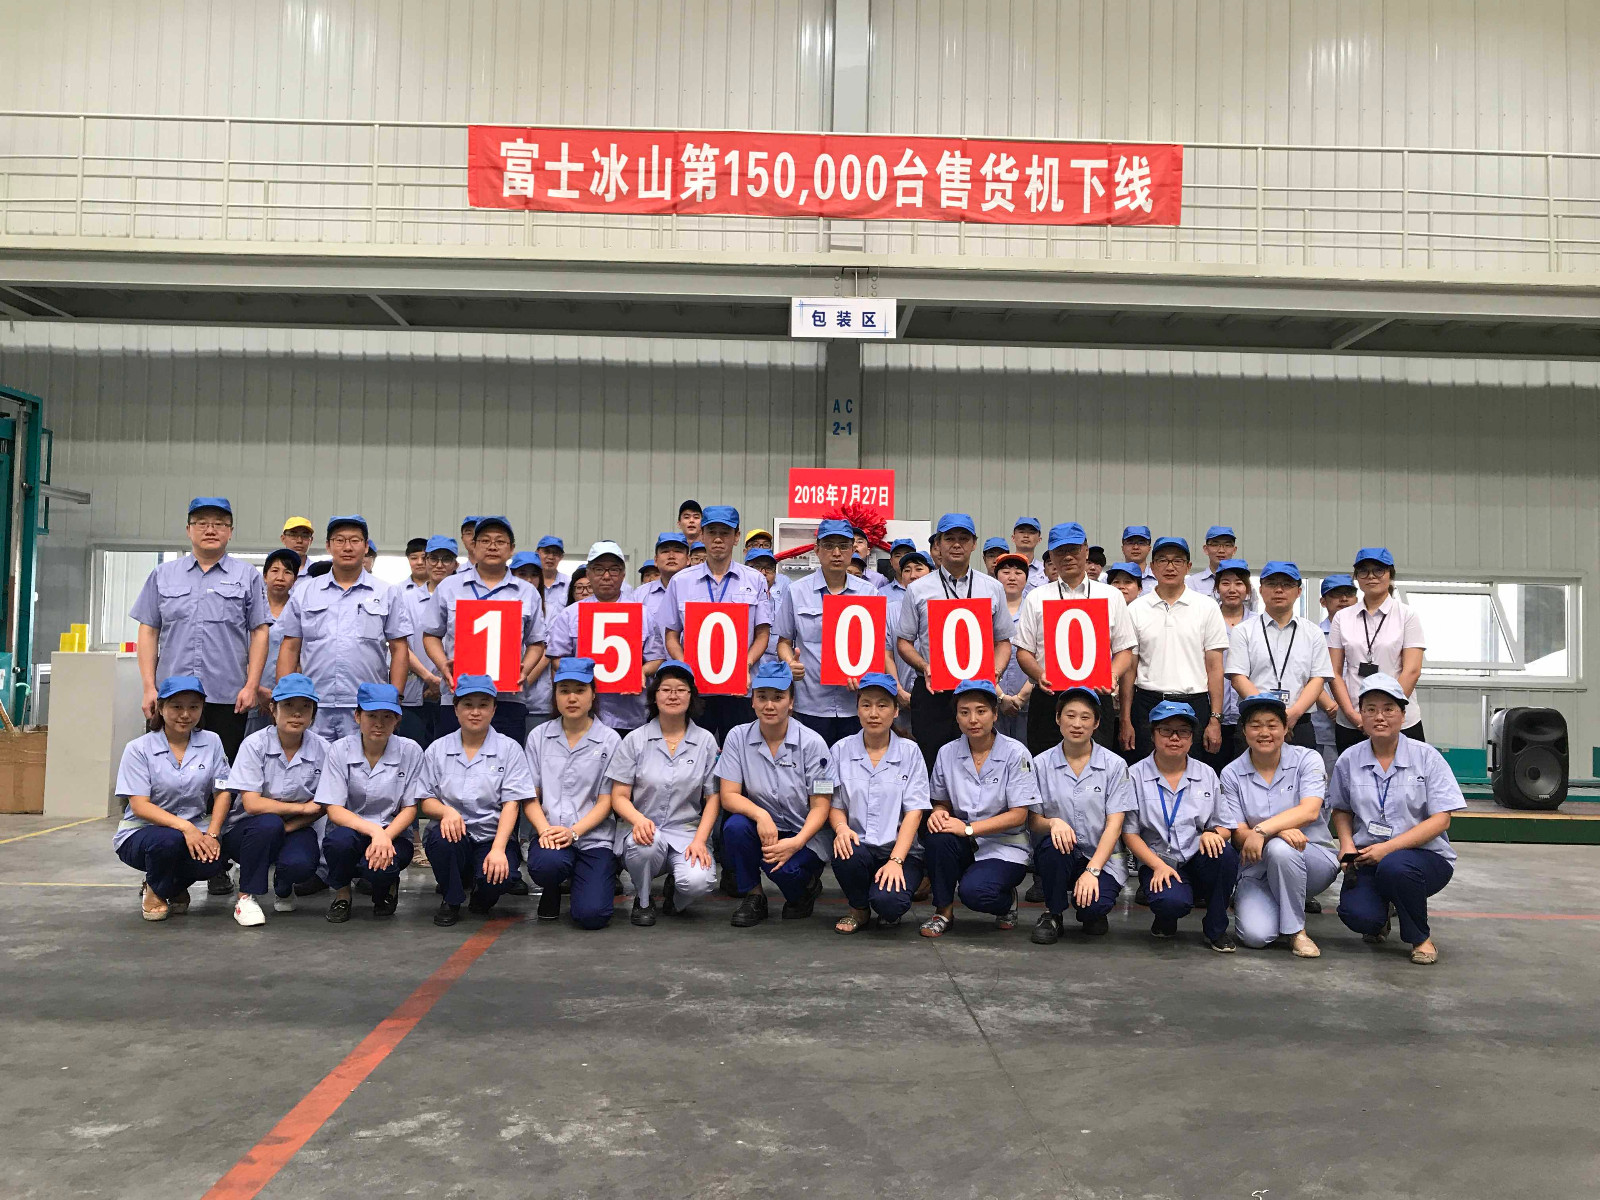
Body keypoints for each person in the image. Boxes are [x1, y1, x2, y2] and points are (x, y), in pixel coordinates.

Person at [1330, 674, 1465, 965]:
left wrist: (1388, 849)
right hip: (1368, 857)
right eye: (1370, 709)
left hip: (1424, 858)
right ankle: (1381, 915)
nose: (1379, 717)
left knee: (1396, 867)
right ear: (1361, 715)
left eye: (1388, 709)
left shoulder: (1427, 757)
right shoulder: (1348, 760)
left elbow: (1442, 820)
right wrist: (1346, 844)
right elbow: (1341, 809)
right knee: (1358, 916)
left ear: (1403, 715)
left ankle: (1420, 938)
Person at [131, 497, 269, 761]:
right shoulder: (162, 575)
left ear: (230, 531)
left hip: (227, 697)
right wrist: (149, 687)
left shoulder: (247, 576)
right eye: (202, 523)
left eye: (219, 524)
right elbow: (148, 630)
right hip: (170, 695)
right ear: (188, 529)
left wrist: (251, 686)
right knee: (164, 766)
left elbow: (260, 631)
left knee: (221, 770)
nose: (210, 530)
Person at [716, 661, 835, 927]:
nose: (769, 705)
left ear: (791, 702)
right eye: (762, 697)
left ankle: (807, 887)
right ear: (753, 702)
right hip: (764, 829)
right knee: (735, 827)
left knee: (782, 870)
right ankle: (754, 895)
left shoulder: (813, 743)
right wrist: (761, 815)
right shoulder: (737, 737)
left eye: (778, 697)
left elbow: (821, 805)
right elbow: (729, 795)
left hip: (804, 833)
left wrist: (797, 842)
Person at [918, 679, 1040, 937]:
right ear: (957, 717)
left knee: (976, 893)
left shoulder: (1016, 753)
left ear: (995, 714)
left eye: (981, 711)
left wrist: (969, 829)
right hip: (964, 841)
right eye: (964, 712)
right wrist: (939, 813)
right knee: (937, 836)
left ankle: (1006, 901)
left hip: (1004, 845)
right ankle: (943, 912)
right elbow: (941, 801)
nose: (973, 719)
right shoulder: (947, 753)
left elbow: (1019, 814)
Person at [1219, 694, 1338, 957]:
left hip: (1312, 857)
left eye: (1272, 725)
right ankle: (1262, 900)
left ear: (1286, 729)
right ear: (1244, 731)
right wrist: (1279, 831)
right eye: (1255, 725)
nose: (1264, 733)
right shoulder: (1231, 773)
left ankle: (1296, 932)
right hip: (1257, 866)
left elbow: (1310, 811)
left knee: (1281, 849)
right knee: (1256, 937)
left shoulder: (1307, 759)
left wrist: (1264, 831)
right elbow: (1238, 835)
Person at [895, 513, 1016, 771]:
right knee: (931, 762)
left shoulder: (992, 588)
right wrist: (925, 666)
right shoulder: (918, 589)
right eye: (949, 539)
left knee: (979, 760)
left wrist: (995, 672)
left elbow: (1003, 641)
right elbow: (904, 642)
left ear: (974, 544)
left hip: (979, 691)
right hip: (933, 692)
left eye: (964, 538)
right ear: (938, 545)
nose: (957, 544)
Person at [415, 674, 538, 926]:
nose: (475, 712)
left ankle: (482, 897)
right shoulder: (437, 749)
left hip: (492, 836)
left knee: (501, 877)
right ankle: (451, 899)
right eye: (467, 705)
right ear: (456, 709)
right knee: (440, 840)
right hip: (453, 835)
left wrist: (498, 849)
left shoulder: (510, 749)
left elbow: (512, 804)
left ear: (494, 709)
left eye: (483, 705)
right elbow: (425, 799)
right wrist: (447, 812)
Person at [276, 515, 412, 742]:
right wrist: (285, 695)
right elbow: (290, 647)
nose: (347, 547)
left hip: (368, 706)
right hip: (313, 703)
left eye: (355, 540)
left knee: (364, 763)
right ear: (328, 546)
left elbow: (399, 648)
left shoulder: (386, 592)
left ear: (366, 546)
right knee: (311, 763)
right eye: (339, 540)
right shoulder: (306, 591)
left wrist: (394, 697)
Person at [606, 661, 721, 926]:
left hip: (687, 831)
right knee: (646, 844)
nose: (673, 695)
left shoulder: (705, 741)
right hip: (643, 830)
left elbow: (713, 797)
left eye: (680, 690)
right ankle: (644, 900)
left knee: (699, 882)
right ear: (655, 695)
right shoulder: (635, 739)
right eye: (666, 689)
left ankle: (675, 898)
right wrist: (638, 820)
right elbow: (618, 795)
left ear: (691, 696)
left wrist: (700, 840)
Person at [1121, 701, 1240, 951]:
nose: (1174, 738)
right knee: (1171, 903)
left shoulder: (1207, 774)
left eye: (1183, 731)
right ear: (1152, 735)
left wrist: (1212, 834)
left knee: (1225, 854)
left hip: (1198, 856)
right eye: (1166, 730)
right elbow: (1130, 834)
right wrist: (1157, 865)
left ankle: (1216, 928)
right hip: (1157, 860)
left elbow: (1225, 825)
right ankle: (1166, 916)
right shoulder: (1134, 775)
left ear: (1192, 738)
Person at [112, 675, 232, 920]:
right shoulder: (138, 749)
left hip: (195, 830)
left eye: (193, 707)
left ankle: (169, 884)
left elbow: (222, 791)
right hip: (143, 832)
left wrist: (212, 834)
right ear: (160, 708)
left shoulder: (212, 742)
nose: (185, 714)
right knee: (169, 841)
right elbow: (140, 806)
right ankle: (157, 891)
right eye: (177, 706)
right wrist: (186, 827)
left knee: (215, 860)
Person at [1012, 522, 1136, 757]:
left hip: (1096, 693)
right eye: (1060, 551)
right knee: (1044, 763)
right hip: (1049, 695)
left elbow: (1124, 650)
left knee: (1097, 764)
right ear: (1051, 556)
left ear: (1086, 551)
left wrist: (1112, 675)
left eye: (1074, 549)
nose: (1067, 556)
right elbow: (1024, 651)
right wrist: (1039, 674)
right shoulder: (1037, 597)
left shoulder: (1110, 596)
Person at [218, 673, 330, 927]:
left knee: (301, 865)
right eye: (288, 705)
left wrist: (289, 826)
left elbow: (322, 806)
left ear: (313, 713)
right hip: (248, 830)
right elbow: (252, 804)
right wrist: (301, 807)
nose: (297, 713)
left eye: (305, 707)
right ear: (273, 709)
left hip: (296, 827)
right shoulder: (254, 745)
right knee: (268, 824)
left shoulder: (324, 750)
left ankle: (284, 885)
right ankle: (246, 896)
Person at [422, 516, 548, 742]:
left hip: (508, 699)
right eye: (485, 540)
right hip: (458, 697)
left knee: (506, 760)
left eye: (500, 541)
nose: (492, 546)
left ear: (511, 549)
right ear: (473, 545)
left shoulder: (526, 592)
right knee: (451, 759)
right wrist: (443, 666)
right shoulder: (450, 586)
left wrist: (524, 671)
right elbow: (431, 634)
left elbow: (537, 642)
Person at [1027, 687, 1134, 945]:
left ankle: (1090, 908)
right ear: (1058, 719)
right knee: (1052, 846)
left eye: (1085, 717)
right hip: (1061, 853)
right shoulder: (1040, 764)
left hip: (1102, 858)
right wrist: (1053, 823)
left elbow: (1115, 824)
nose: (1077, 724)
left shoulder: (1114, 765)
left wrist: (1092, 871)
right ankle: (1053, 913)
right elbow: (1033, 820)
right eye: (1070, 715)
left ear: (1096, 723)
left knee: (1093, 910)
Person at [523, 658, 623, 929]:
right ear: (555, 695)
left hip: (594, 838)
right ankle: (552, 887)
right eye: (564, 690)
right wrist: (544, 830)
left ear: (593, 694)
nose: (572, 698)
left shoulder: (610, 740)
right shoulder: (538, 737)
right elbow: (530, 796)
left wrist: (574, 833)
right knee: (547, 866)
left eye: (580, 690)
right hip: (551, 835)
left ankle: (588, 876)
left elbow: (607, 801)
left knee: (592, 916)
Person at [662, 505, 774, 743]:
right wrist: (686, 668)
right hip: (697, 691)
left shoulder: (755, 580)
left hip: (740, 690)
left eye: (725, 532)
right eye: (712, 532)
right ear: (702, 535)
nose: (718, 539)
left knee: (742, 753)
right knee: (692, 752)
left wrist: (745, 664)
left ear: (736, 537)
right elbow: (671, 634)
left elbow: (763, 634)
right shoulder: (681, 581)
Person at [827, 673, 930, 933]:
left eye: (882, 705)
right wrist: (841, 828)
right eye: (866, 704)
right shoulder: (840, 750)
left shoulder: (910, 752)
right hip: (859, 848)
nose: (874, 713)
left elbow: (914, 813)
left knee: (889, 904)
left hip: (901, 851)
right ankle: (859, 909)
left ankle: (884, 900)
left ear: (895, 711)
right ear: (858, 709)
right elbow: (835, 804)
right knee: (845, 851)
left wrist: (896, 861)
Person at [316, 682, 422, 922]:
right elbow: (334, 809)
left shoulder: (411, 751)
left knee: (381, 868)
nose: (379, 723)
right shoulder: (339, 750)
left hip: (394, 833)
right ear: (357, 716)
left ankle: (387, 887)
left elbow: (410, 808)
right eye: (371, 715)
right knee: (339, 844)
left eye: (387, 716)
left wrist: (385, 836)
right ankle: (342, 894)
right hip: (350, 829)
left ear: (397, 720)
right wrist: (375, 832)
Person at [774, 518, 882, 745]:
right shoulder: (796, 591)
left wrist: (866, 674)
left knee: (852, 763)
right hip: (810, 701)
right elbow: (783, 641)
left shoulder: (869, 593)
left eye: (843, 546)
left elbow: (876, 647)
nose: (836, 553)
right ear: (817, 550)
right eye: (829, 546)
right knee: (811, 764)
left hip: (854, 703)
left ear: (853, 550)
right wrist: (789, 663)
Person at [1120, 537, 1229, 763]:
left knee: (1193, 772)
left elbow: (1215, 667)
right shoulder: (1136, 609)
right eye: (1162, 560)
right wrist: (1125, 719)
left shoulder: (1207, 607)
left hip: (1194, 704)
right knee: (1145, 771)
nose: (1170, 567)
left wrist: (1215, 719)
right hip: (1148, 703)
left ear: (1189, 567)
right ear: (1152, 567)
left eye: (1177, 561)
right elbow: (1129, 669)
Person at [545, 541, 665, 737]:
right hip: (583, 715)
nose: (607, 576)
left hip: (630, 715)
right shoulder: (570, 614)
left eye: (614, 570)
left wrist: (641, 672)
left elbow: (657, 657)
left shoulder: (642, 614)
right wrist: (580, 672)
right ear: (589, 573)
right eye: (599, 569)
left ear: (623, 574)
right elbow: (557, 658)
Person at [1226, 561, 1334, 752]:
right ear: (1261, 590)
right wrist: (1270, 717)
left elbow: (1317, 679)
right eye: (1272, 583)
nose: (1279, 590)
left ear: (1299, 592)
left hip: (1299, 722)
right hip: (1254, 723)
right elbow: (1238, 677)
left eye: (1287, 584)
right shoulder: (1244, 631)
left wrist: (1293, 714)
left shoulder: (1313, 633)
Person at [1328, 548, 1427, 751]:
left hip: (1399, 721)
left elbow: (1412, 670)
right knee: (1353, 771)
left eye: (1378, 570)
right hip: (1353, 720)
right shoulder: (1342, 618)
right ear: (1356, 577)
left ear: (1390, 574)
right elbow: (1334, 672)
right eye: (1364, 571)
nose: (1371, 576)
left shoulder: (1407, 616)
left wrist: (1387, 713)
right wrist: (1354, 716)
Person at [398, 536, 456, 747]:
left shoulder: (466, 598)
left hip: (454, 692)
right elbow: (399, 645)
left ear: (455, 564)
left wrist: (443, 680)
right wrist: (429, 677)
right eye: (433, 558)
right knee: (412, 752)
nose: (439, 565)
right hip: (416, 692)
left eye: (446, 559)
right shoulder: (405, 598)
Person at [246, 548, 302, 738]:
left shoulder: (299, 610)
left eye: (287, 572)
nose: (280, 577)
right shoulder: (251, 609)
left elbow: (302, 655)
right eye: (275, 571)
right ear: (265, 576)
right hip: (252, 694)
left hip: (289, 696)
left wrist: (283, 693)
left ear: (294, 579)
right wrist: (257, 689)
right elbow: (240, 652)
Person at [1205, 558, 1252, 769]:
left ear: (1247, 589)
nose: (1232, 589)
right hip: (1213, 715)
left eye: (1239, 583)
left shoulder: (1258, 624)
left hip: (1248, 716)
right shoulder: (1205, 619)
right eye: (1225, 583)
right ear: (1216, 588)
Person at [1312, 574, 1359, 772]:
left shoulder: (1366, 633)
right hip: (1326, 723)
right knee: (1326, 782)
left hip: (1361, 720)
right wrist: (1332, 707)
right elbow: (1307, 675)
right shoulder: (1313, 634)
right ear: (1323, 602)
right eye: (1336, 595)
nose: (1343, 599)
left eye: (1348, 594)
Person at [884, 550, 931, 737]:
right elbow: (886, 653)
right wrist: (898, 690)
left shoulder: (943, 607)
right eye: (907, 570)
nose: (913, 575)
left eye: (919, 569)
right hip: (899, 695)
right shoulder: (889, 610)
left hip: (933, 695)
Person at [509, 551, 556, 736]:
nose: (529, 580)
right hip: (504, 694)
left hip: (537, 698)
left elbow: (546, 652)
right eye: (522, 574)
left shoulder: (551, 611)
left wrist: (523, 680)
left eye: (534, 575)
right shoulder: (500, 605)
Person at [993, 553, 1034, 743]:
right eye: (1005, 572)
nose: (1012, 577)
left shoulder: (1035, 610)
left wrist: (1021, 697)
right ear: (996, 576)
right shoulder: (985, 610)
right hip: (992, 700)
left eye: (1018, 573)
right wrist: (1000, 696)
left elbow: (1043, 657)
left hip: (1029, 700)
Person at [746, 546, 788, 663]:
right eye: (757, 567)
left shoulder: (783, 603)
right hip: (746, 666)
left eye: (769, 568)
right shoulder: (738, 603)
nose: (763, 573)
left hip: (776, 667)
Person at [1186, 526, 1239, 598]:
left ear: (1234, 550)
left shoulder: (1244, 584)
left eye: (1227, 545)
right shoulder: (1191, 583)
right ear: (1206, 549)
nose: (1221, 550)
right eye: (1215, 545)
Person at [1010, 516, 1047, 590]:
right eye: (1021, 532)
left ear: (1039, 539)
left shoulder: (1045, 570)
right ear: (1013, 538)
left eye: (1031, 532)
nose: (1026, 536)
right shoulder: (1003, 568)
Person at [1119, 525, 1157, 594]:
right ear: (1123, 548)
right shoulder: (1108, 579)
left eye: (1141, 543)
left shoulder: (1159, 579)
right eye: (1130, 543)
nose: (1135, 547)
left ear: (1149, 548)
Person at [535, 536, 569, 610]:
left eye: (556, 553)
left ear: (561, 557)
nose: (551, 557)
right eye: (546, 552)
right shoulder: (530, 582)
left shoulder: (569, 584)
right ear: (537, 553)